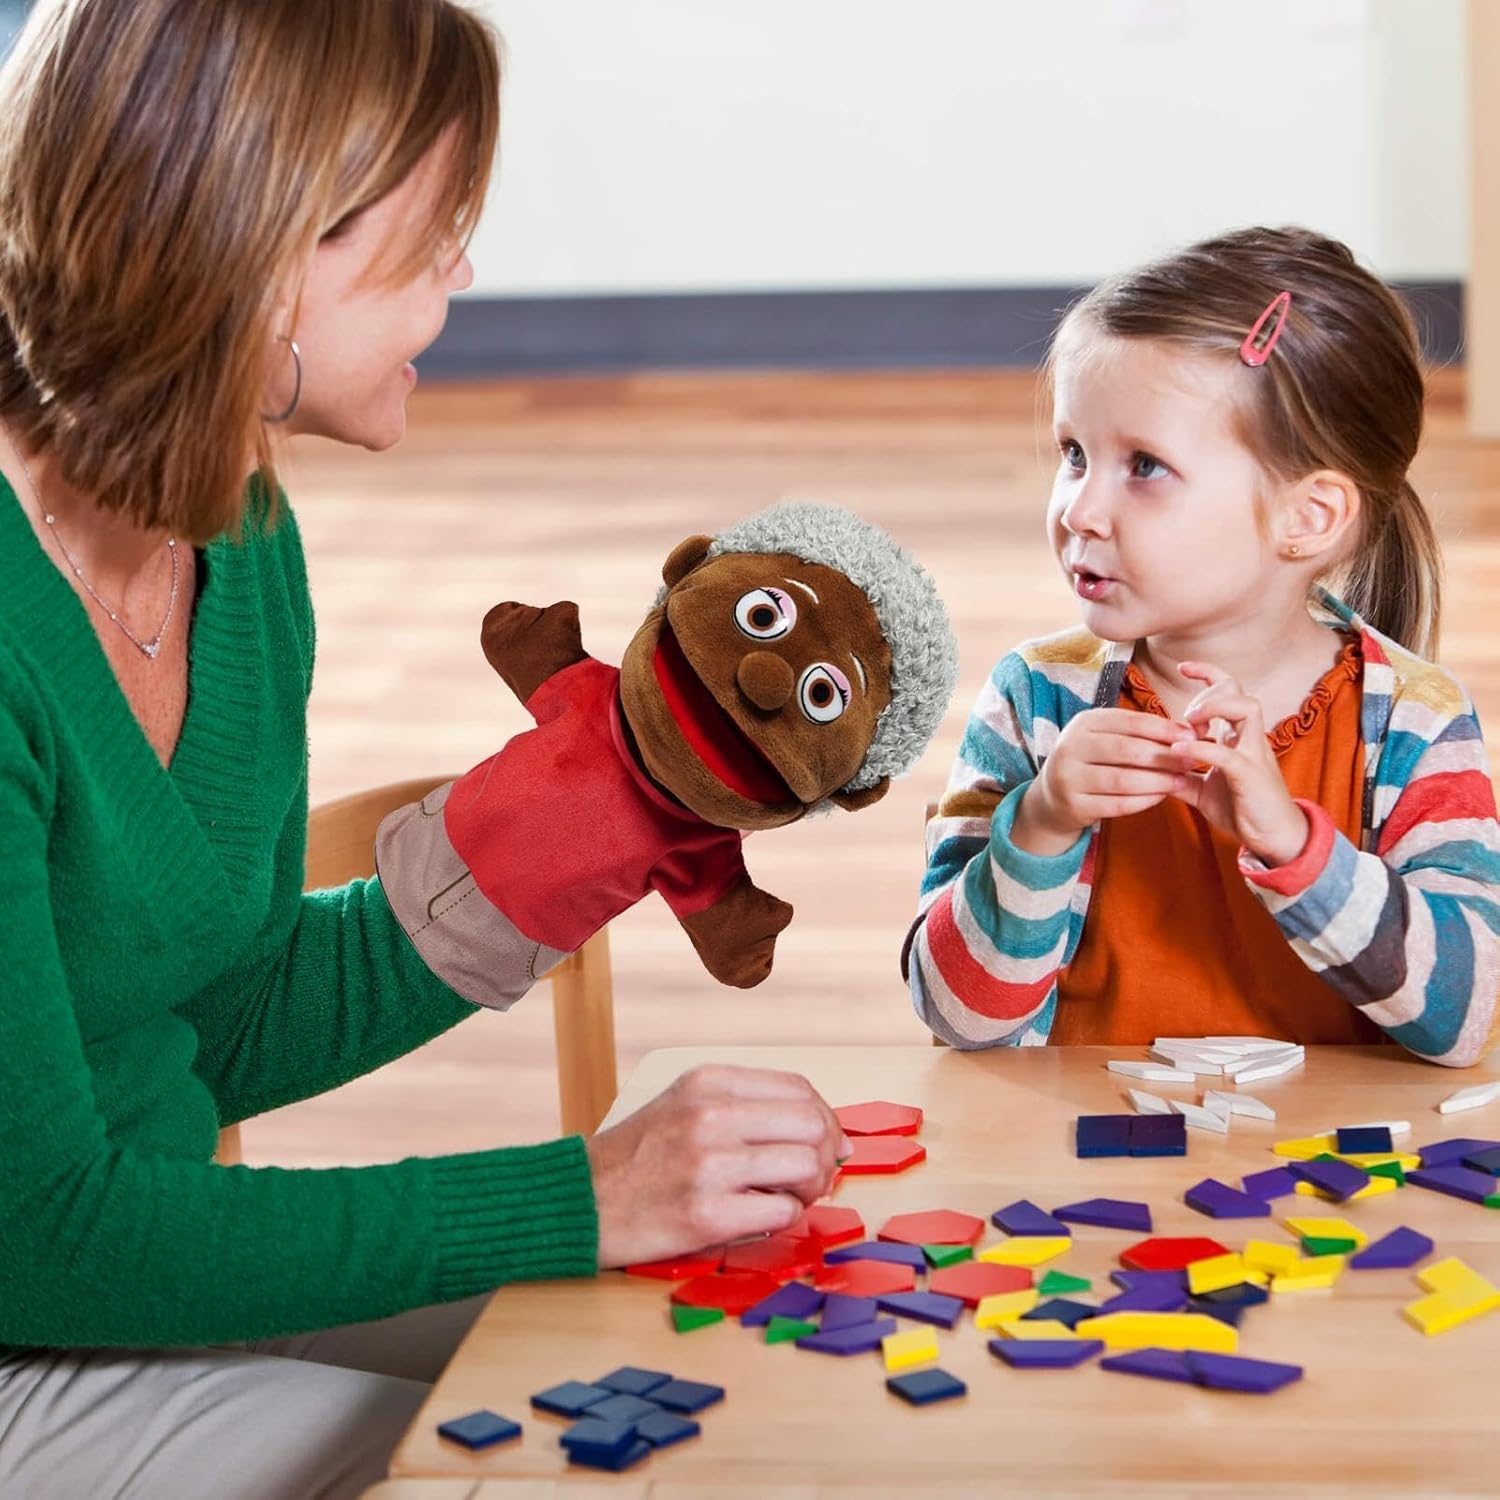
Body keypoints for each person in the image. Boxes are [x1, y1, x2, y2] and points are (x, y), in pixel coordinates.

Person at [0, 3, 844, 1495]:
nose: (464, 274)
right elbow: (43, 1234)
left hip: (125, 1265)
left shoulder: (235, 537)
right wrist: (582, 1196)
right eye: (436, 232)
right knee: (553, 1467)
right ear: (265, 251)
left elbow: (209, 1025)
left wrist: (551, 846)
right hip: (39, 1300)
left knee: (719, 1368)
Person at [905, 225, 1500, 1064]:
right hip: (1081, 1138)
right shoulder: (1034, 698)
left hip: (1331, 1147)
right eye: (1074, 454)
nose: (1080, 510)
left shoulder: (1419, 721)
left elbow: (1464, 1018)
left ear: (1308, 518)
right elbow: (955, 1018)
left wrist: (1294, 846)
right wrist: (1039, 824)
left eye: (1144, 466)